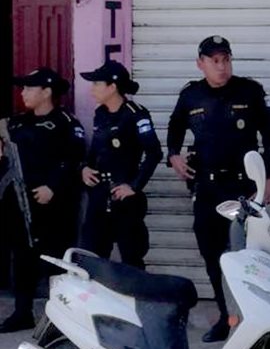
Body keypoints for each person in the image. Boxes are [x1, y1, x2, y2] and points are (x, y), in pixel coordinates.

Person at [166, 36, 270, 342]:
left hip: (242, 188)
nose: (222, 66)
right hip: (207, 189)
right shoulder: (191, 95)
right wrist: (173, 155)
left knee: (247, 257)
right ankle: (227, 317)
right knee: (213, 256)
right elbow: (175, 126)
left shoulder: (250, 91)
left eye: (226, 59)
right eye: (214, 61)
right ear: (200, 64)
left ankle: (255, 321)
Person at [0, 68, 86, 332]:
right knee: (21, 259)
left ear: (46, 92)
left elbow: (75, 160)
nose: (23, 93)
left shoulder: (66, 123)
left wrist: (53, 187)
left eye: (29, 88)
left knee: (55, 261)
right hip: (19, 203)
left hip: (54, 206)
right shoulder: (16, 124)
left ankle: (60, 318)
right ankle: (22, 312)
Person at [78, 60, 162, 270]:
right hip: (99, 195)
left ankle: (136, 300)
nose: (93, 88)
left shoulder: (135, 114)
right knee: (93, 256)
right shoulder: (101, 114)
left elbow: (154, 153)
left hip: (124, 198)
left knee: (131, 257)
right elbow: (95, 151)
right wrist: (85, 169)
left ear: (112, 87)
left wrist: (134, 186)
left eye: (97, 83)